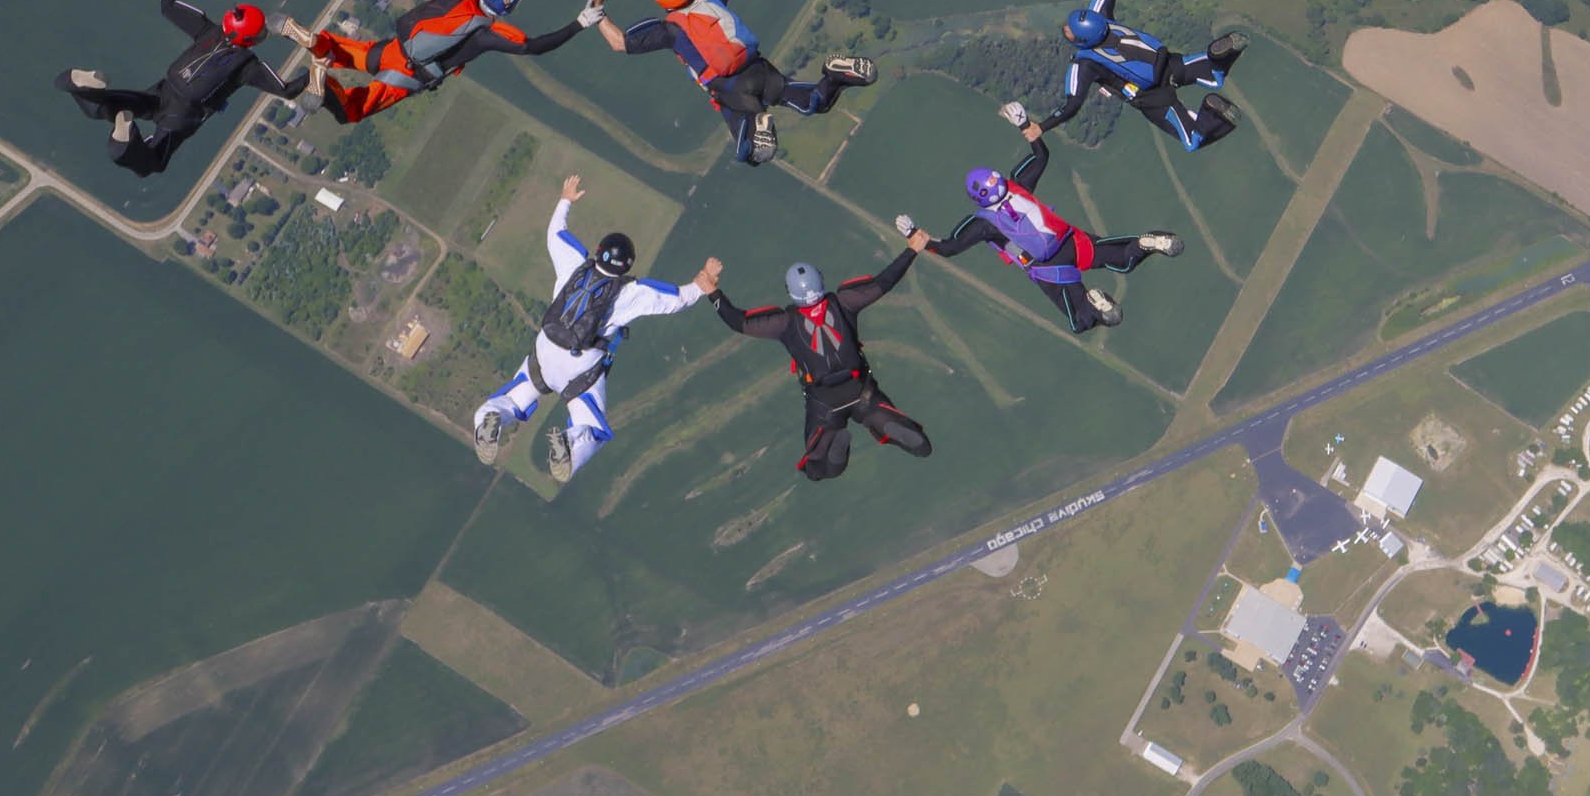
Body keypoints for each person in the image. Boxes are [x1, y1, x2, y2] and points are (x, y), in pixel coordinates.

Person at [471, 176, 722, 483]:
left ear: (599, 250)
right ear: (626, 266)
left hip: (545, 350)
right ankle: (569, 445)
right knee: (593, 429)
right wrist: (703, 281)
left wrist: (565, 199)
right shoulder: (631, 293)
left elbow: (556, 233)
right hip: (580, 368)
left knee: (515, 397)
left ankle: (489, 418)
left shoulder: (573, 263)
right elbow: (676, 299)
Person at [596, 0, 875, 166]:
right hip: (759, 69)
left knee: (749, 153)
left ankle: (759, 124)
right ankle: (834, 75)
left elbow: (618, 42)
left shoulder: (669, 29)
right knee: (815, 101)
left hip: (731, 90)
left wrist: (597, 12)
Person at [899, 122, 1181, 332]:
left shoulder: (982, 223)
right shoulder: (1018, 184)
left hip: (1048, 268)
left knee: (1080, 322)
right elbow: (1041, 156)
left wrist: (916, 236)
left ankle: (1093, 304)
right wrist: (1025, 126)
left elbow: (950, 248)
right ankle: (1146, 243)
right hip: (1071, 240)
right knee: (1122, 259)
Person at [282, 0, 606, 125]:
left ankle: (315, 43)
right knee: (351, 111)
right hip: (407, 76)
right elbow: (536, 46)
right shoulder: (488, 33)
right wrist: (579, 23)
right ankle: (322, 80)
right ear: (508, 9)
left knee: (344, 51)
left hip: (394, 48)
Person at [709, 250, 936, 482]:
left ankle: (833, 448)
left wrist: (712, 291)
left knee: (821, 468)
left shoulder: (783, 323)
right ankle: (894, 425)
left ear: (790, 292)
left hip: (824, 403)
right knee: (920, 445)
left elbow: (738, 321)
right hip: (862, 391)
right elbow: (884, 282)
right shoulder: (845, 301)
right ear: (821, 281)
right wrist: (912, 250)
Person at [1006, 0, 1244, 152]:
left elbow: (1072, 105)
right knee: (1212, 71)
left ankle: (1213, 113)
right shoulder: (1101, 16)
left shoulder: (1085, 62)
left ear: (1082, 41)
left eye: (1070, 31)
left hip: (1150, 96)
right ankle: (1218, 57)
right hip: (1167, 63)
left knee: (1193, 140)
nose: (1065, 29)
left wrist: (1042, 127)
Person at [57, 0, 307, 177]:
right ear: (253, 39)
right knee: (153, 163)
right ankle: (123, 143)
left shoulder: (210, 31)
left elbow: (167, 6)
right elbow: (288, 90)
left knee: (105, 107)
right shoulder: (248, 65)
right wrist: (317, 69)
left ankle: (76, 84)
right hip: (182, 114)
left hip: (164, 90)